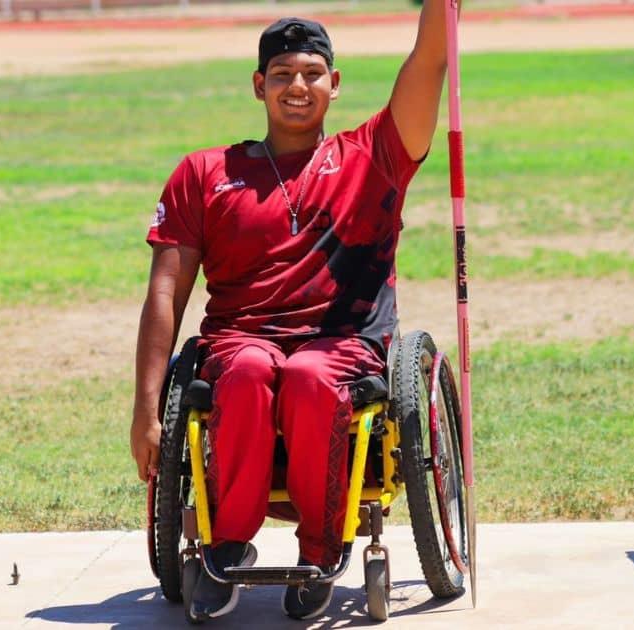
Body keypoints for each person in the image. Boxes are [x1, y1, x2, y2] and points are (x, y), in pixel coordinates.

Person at [132, 4, 451, 621]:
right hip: (240, 340)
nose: (297, 87)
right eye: (281, 74)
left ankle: (320, 549)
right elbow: (166, 293)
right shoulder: (204, 173)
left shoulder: (376, 154)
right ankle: (226, 546)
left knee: (309, 377)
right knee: (249, 372)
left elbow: (430, 60)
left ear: (335, 83)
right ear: (259, 85)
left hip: (342, 341)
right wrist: (147, 411)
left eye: (312, 73)